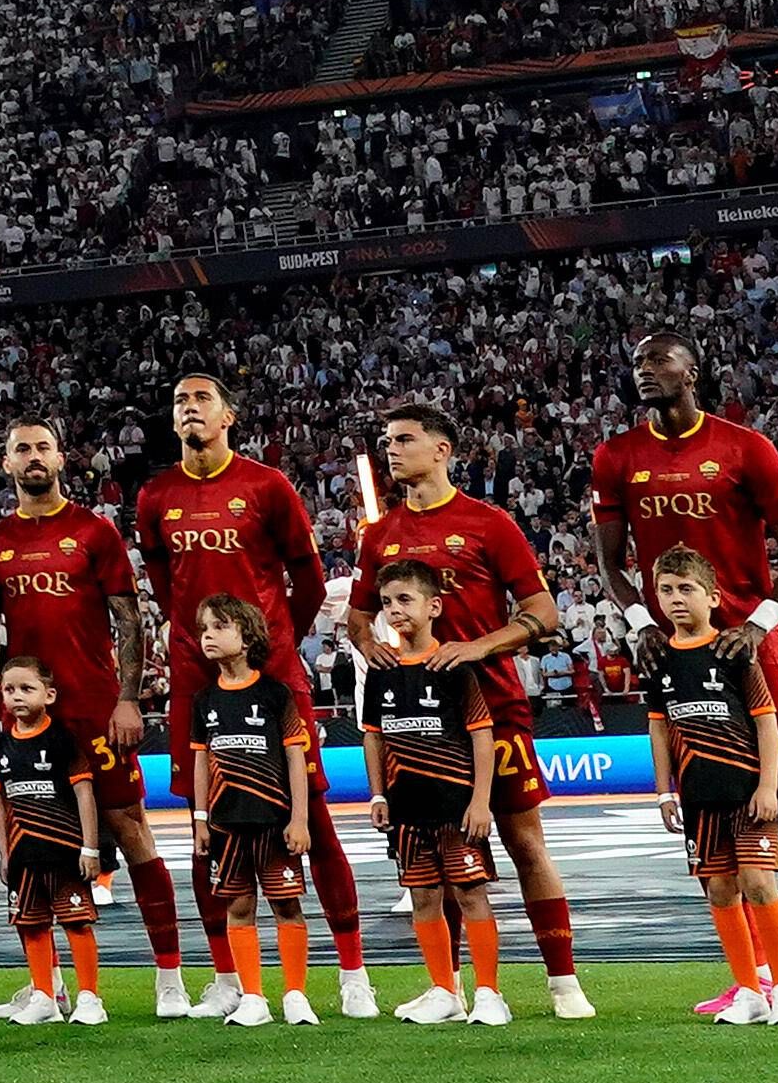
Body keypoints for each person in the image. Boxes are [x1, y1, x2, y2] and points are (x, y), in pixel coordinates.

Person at [584, 332, 778, 1016]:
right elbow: (611, 563)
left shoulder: (745, 446)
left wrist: (757, 623)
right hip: (676, 650)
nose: (644, 371)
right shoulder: (615, 456)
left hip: (753, 645)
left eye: (658, 360)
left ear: (693, 370)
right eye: (635, 361)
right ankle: (748, 974)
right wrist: (641, 625)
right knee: (706, 815)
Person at [135, 372, 368, 1015]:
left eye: (201, 398)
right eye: (179, 399)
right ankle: (229, 980)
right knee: (206, 828)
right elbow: (163, 584)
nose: (188, 408)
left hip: (274, 677)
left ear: (229, 415)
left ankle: (352, 974)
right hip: (194, 678)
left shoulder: (267, 486)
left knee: (312, 820)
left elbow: (309, 577)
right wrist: (198, 642)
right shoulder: (156, 495)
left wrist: (274, 643)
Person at [360, 401, 592, 1014]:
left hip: (492, 705)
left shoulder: (488, 523)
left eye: (404, 439)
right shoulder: (378, 535)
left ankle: (563, 981)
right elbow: (360, 615)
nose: (391, 449)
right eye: (387, 440)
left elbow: (543, 614)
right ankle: (450, 989)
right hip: (416, 721)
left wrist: (478, 647)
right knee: (433, 856)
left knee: (523, 840)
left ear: (442, 450)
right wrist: (369, 647)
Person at [0, 413, 187, 1013]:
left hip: (93, 708)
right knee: (28, 841)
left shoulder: (95, 533)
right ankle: (50, 986)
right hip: (22, 716)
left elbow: (129, 619)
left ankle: (170, 977)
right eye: (22, 449)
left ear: (62, 459)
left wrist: (128, 697)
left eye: (43, 447)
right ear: (7, 463)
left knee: (130, 830)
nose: (33, 457)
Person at [646, 548, 778, 1027]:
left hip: (748, 793)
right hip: (698, 798)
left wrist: (768, 787)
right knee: (719, 889)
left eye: (686, 589)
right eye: (667, 590)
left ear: (712, 597)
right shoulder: (659, 661)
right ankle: (749, 991)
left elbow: (767, 723)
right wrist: (664, 791)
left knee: (758, 882)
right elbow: (658, 728)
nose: (676, 599)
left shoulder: (734, 653)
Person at [355, 560, 505, 1026]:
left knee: (471, 893)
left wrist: (480, 801)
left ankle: (488, 992)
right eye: (385, 603)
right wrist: (378, 796)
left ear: (433, 605)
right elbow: (374, 737)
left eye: (405, 599)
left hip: (455, 806)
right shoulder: (380, 671)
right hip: (405, 807)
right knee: (423, 898)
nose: (395, 610)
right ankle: (443, 989)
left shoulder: (454, 666)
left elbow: (483, 735)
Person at [176, 593, 307, 1030]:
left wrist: (300, 818)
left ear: (247, 636)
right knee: (238, 907)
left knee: (287, 905)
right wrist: (199, 819)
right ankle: (253, 996)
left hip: (274, 820)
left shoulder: (275, 693)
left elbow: (294, 758)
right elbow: (200, 760)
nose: (207, 636)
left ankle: (295, 994)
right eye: (204, 629)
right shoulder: (205, 699)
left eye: (218, 627)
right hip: (226, 825)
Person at [0, 654, 106, 1025]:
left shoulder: (63, 740)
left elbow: (84, 794)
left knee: (76, 924)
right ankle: (44, 996)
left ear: (48, 695)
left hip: (65, 852)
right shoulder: (2, 746)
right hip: (23, 855)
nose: (17, 696)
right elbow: (0, 802)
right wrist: (4, 853)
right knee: (31, 925)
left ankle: (89, 997)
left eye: (26, 689)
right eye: (9, 689)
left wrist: (90, 847)